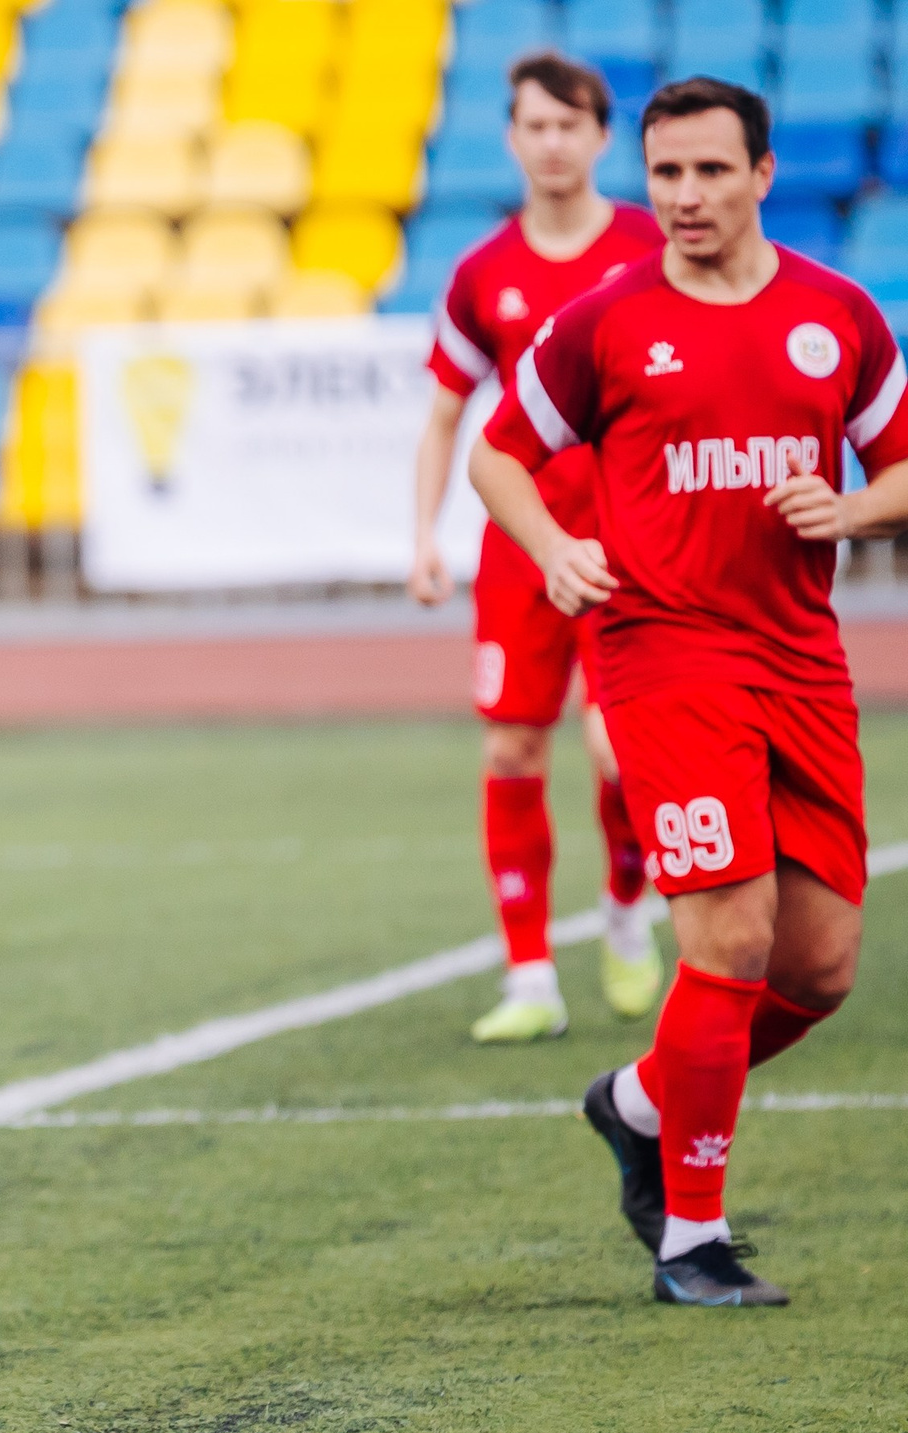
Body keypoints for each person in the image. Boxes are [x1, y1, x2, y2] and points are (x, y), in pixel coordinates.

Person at [470, 77, 904, 1306]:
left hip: (802, 661)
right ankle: (690, 1241)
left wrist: (856, 507)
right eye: (666, 174)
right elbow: (498, 452)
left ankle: (640, 1098)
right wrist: (554, 554)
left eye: (711, 171)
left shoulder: (836, 316)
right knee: (727, 939)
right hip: (663, 658)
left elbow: (902, 464)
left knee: (816, 971)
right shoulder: (607, 322)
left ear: (762, 175)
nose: (686, 196)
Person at [414, 52, 667, 1043]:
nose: (553, 142)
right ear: (512, 138)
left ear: (602, 138)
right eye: (536, 125)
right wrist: (425, 540)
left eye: (572, 125)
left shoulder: (653, 248)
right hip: (524, 551)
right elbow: (444, 417)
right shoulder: (485, 272)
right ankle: (528, 977)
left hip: (631, 547)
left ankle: (623, 903)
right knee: (512, 744)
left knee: (621, 755)